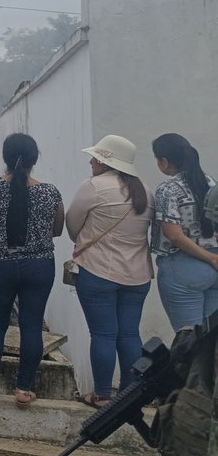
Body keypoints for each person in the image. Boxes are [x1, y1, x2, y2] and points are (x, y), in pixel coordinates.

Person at [0, 132, 64, 407]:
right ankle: (23, 390)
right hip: (40, 266)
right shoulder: (50, 192)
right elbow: (56, 230)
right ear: (35, 160)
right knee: (32, 327)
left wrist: (1, 233)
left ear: (5, 158)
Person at [65, 135, 153, 406]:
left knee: (103, 334)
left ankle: (102, 395)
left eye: (96, 157)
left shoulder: (93, 186)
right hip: (138, 276)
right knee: (129, 334)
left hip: (97, 271)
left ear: (106, 161)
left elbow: (72, 226)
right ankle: (129, 394)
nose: (92, 162)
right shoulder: (146, 191)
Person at [151, 132, 217, 331]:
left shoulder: (167, 189)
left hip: (183, 267)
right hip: (214, 266)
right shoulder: (211, 183)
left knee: (188, 341)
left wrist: (208, 258)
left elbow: (174, 235)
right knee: (212, 341)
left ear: (164, 161)